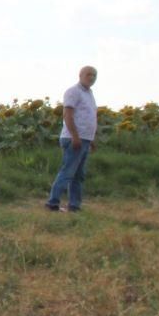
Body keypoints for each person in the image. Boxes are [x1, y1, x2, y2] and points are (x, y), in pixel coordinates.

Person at [45, 65, 98, 212]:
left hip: (85, 138)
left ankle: (74, 205)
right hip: (74, 138)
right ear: (80, 75)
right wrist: (75, 136)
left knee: (79, 175)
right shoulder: (73, 92)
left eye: (94, 75)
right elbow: (67, 115)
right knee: (68, 172)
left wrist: (91, 138)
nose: (92, 77)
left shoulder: (89, 93)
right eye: (89, 74)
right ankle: (52, 202)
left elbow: (88, 117)